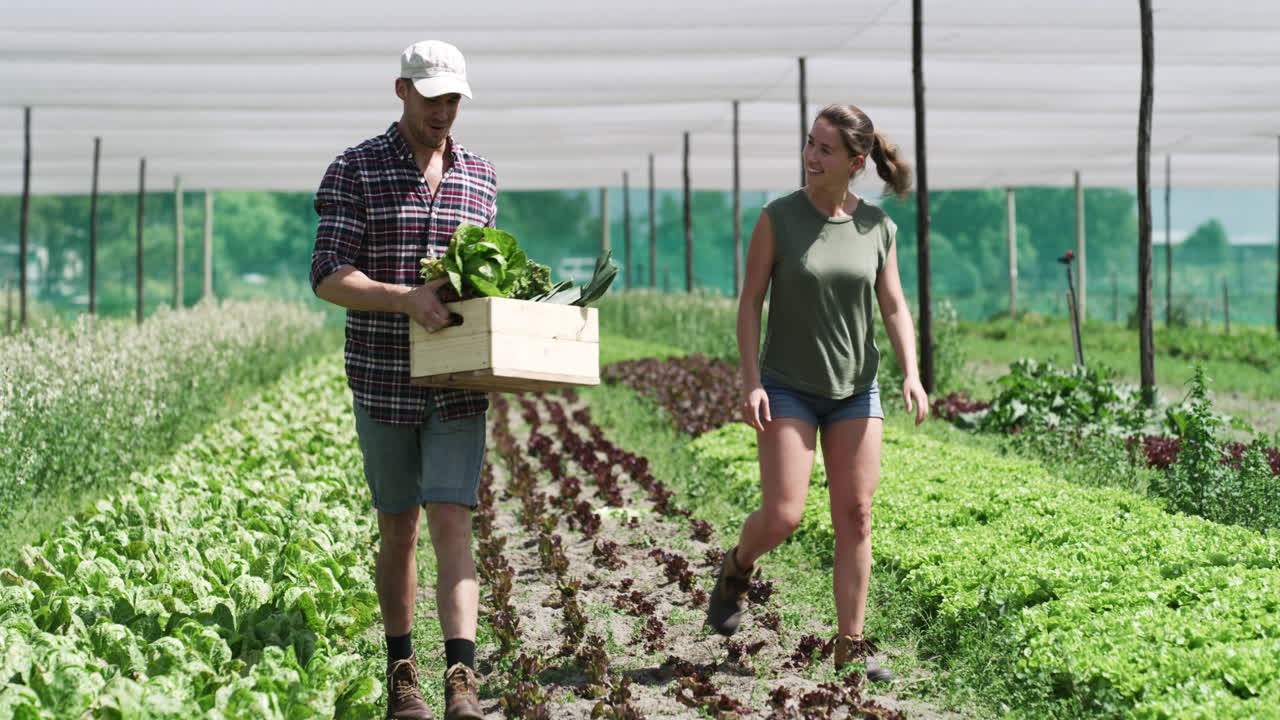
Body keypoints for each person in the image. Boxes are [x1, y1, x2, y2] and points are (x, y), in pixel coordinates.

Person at [705, 104, 928, 682]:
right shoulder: (777, 218)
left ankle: (851, 645)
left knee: (856, 514)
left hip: (856, 388)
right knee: (783, 515)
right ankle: (737, 566)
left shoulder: (878, 227)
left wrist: (911, 371)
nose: (810, 156)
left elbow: (895, 304)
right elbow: (751, 302)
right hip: (787, 387)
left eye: (824, 149)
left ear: (855, 162)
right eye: (809, 143)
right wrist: (751, 381)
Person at [310, 40, 494, 720]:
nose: (443, 112)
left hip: (459, 380)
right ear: (401, 91)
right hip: (384, 378)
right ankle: (402, 672)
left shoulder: (479, 175)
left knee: (454, 519)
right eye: (432, 98)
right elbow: (329, 274)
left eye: (452, 99)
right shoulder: (356, 170)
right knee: (400, 529)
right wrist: (404, 297)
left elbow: (485, 279)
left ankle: (462, 679)